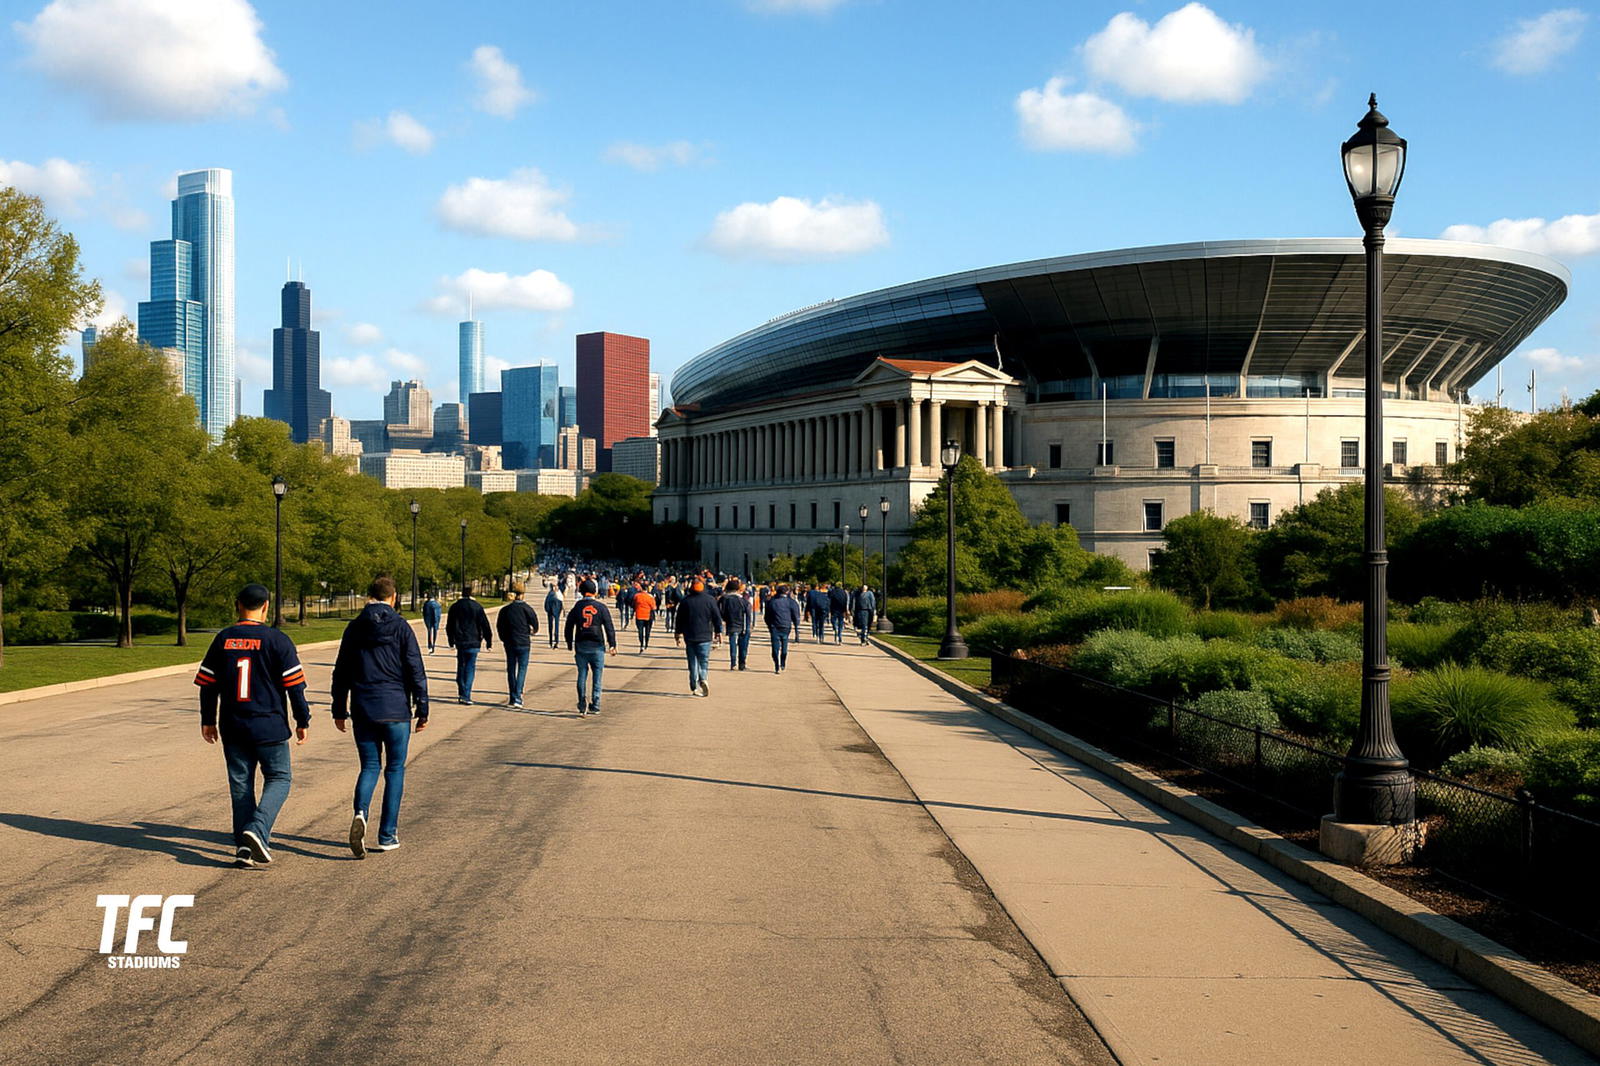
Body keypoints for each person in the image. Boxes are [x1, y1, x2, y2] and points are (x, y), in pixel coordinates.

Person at [195, 583, 311, 868]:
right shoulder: (278, 640)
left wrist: (208, 720)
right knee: (279, 778)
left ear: (238, 605)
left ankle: (243, 848)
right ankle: (257, 830)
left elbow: (207, 686)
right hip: (269, 726)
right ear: (267, 606)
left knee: (241, 786)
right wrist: (302, 720)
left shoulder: (224, 639)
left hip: (234, 725)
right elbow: (295, 687)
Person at [331, 575, 429, 858]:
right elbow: (414, 669)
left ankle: (361, 812)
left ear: (369, 595)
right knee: (395, 769)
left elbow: (342, 671)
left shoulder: (354, 628)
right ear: (393, 597)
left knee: (370, 766)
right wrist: (422, 708)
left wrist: (339, 708)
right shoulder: (401, 627)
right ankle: (387, 834)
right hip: (395, 708)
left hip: (364, 707)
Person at [564, 579, 617, 716]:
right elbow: (609, 627)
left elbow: (569, 625)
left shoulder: (577, 607)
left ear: (582, 592)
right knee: (597, 676)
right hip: (597, 645)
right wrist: (612, 644)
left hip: (581, 644)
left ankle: (582, 702)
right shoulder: (601, 607)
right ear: (595, 592)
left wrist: (569, 642)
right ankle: (596, 704)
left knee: (582, 674)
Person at [445, 583, 493, 705]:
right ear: (471, 594)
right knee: (470, 668)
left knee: (461, 666)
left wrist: (451, 640)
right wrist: (489, 641)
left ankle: (462, 692)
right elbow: (485, 625)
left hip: (460, 641)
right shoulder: (477, 607)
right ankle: (466, 694)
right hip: (474, 641)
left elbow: (449, 625)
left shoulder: (455, 607)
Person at [675, 578, 722, 696]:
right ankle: (703, 678)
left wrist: (677, 633)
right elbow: (717, 617)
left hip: (690, 636)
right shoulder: (710, 600)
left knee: (692, 661)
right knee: (704, 660)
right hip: (705, 635)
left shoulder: (685, 601)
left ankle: (694, 685)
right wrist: (718, 632)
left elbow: (679, 619)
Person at [496, 582, 540, 708]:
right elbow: (535, 623)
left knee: (511, 669)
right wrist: (533, 631)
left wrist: (503, 638)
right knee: (522, 669)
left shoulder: (505, 610)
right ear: (523, 594)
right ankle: (518, 695)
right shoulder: (527, 608)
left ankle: (512, 696)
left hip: (509, 642)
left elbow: (500, 626)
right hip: (523, 642)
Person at [763, 583, 802, 673]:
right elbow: (795, 615)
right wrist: (796, 625)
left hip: (774, 626)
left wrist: (769, 626)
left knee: (775, 647)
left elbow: (767, 616)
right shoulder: (791, 602)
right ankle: (783, 662)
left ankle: (776, 664)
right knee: (784, 645)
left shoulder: (771, 602)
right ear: (787, 592)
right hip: (786, 626)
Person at [720, 577, 752, 670]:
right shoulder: (742, 600)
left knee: (732, 644)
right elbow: (748, 613)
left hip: (731, 623)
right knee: (743, 645)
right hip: (742, 624)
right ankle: (742, 664)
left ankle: (733, 663)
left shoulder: (724, 599)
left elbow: (720, 611)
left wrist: (724, 619)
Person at [631, 581, 657, 651]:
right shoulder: (650, 597)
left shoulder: (636, 596)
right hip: (648, 616)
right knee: (647, 631)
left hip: (639, 615)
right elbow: (653, 607)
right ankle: (646, 643)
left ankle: (641, 643)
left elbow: (633, 605)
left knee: (640, 631)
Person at [543, 582, 563, 649]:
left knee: (552, 627)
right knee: (555, 626)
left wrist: (547, 610)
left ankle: (552, 641)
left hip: (551, 611)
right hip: (555, 611)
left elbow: (545, 604)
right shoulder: (557, 594)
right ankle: (555, 641)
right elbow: (561, 604)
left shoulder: (550, 594)